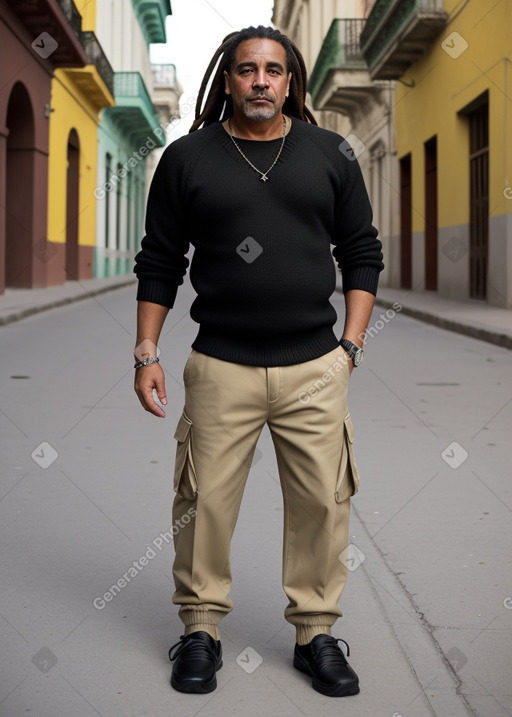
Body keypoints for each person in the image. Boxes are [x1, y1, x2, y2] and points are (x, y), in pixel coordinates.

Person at [133, 25, 384, 697]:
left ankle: (315, 633)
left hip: (314, 366)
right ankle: (200, 628)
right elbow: (160, 260)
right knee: (203, 504)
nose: (261, 81)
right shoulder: (189, 159)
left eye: (274, 70)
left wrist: (350, 349)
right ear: (228, 80)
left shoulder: (330, 153)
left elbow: (361, 252)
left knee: (322, 504)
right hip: (221, 365)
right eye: (247, 70)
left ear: (292, 81)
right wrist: (147, 349)